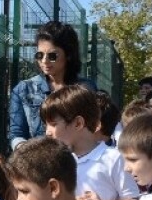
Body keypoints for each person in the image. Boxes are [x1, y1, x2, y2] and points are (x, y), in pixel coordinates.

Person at [41, 85, 140, 200]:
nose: (47, 131)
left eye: (53, 124)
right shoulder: (59, 163)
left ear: (78, 123)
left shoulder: (112, 159)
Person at [9, 21, 95, 150]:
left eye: (52, 56)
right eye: (39, 55)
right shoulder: (23, 89)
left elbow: (93, 129)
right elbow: (16, 134)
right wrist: (27, 151)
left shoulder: (86, 88)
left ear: (69, 55)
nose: (44, 61)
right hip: (38, 162)